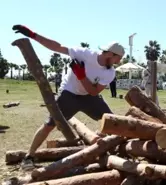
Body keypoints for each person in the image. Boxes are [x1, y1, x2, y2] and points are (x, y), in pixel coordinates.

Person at [12, 24, 125, 170]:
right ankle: (29, 156)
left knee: (112, 121)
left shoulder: (110, 72)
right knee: (49, 125)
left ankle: (120, 151)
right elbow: (57, 47)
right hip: (69, 94)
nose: (118, 62)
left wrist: (82, 76)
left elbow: (93, 92)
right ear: (110, 54)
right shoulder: (84, 54)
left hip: (88, 97)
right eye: (118, 59)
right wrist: (33, 35)